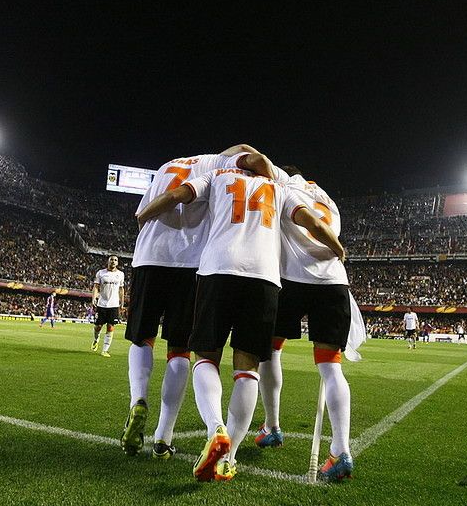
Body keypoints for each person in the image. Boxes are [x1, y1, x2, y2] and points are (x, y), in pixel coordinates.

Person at [136, 164, 343, 482]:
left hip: (217, 269)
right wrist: (337, 247)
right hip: (264, 278)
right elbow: (310, 221)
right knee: (248, 369)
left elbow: (177, 194)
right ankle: (228, 457)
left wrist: (143, 214)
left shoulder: (217, 175)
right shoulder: (279, 189)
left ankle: (215, 427)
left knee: (206, 357)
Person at [119, 144, 271, 459]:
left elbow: (159, 200)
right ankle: (163, 436)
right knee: (179, 350)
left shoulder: (166, 165)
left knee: (141, 338)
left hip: (148, 255)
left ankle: (137, 400)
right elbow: (251, 155)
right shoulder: (220, 165)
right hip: (190, 263)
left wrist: (140, 217)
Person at [254, 166, 354, 482]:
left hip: (293, 281)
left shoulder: (286, 190)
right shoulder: (325, 197)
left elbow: (308, 222)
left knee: (269, 352)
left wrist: (338, 249)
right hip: (334, 282)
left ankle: (272, 426)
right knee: (331, 367)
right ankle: (340, 451)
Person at [92, 256, 126, 357]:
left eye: (115, 260)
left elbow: (121, 289)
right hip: (102, 304)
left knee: (110, 327)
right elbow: (96, 287)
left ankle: (105, 350)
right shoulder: (101, 273)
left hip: (114, 304)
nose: (113, 261)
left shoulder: (120, 274)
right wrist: (94, 298)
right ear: (108, 261)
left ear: (117, 263)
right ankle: (96, 339)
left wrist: (122, 302)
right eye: (111, 259)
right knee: (98, 326)